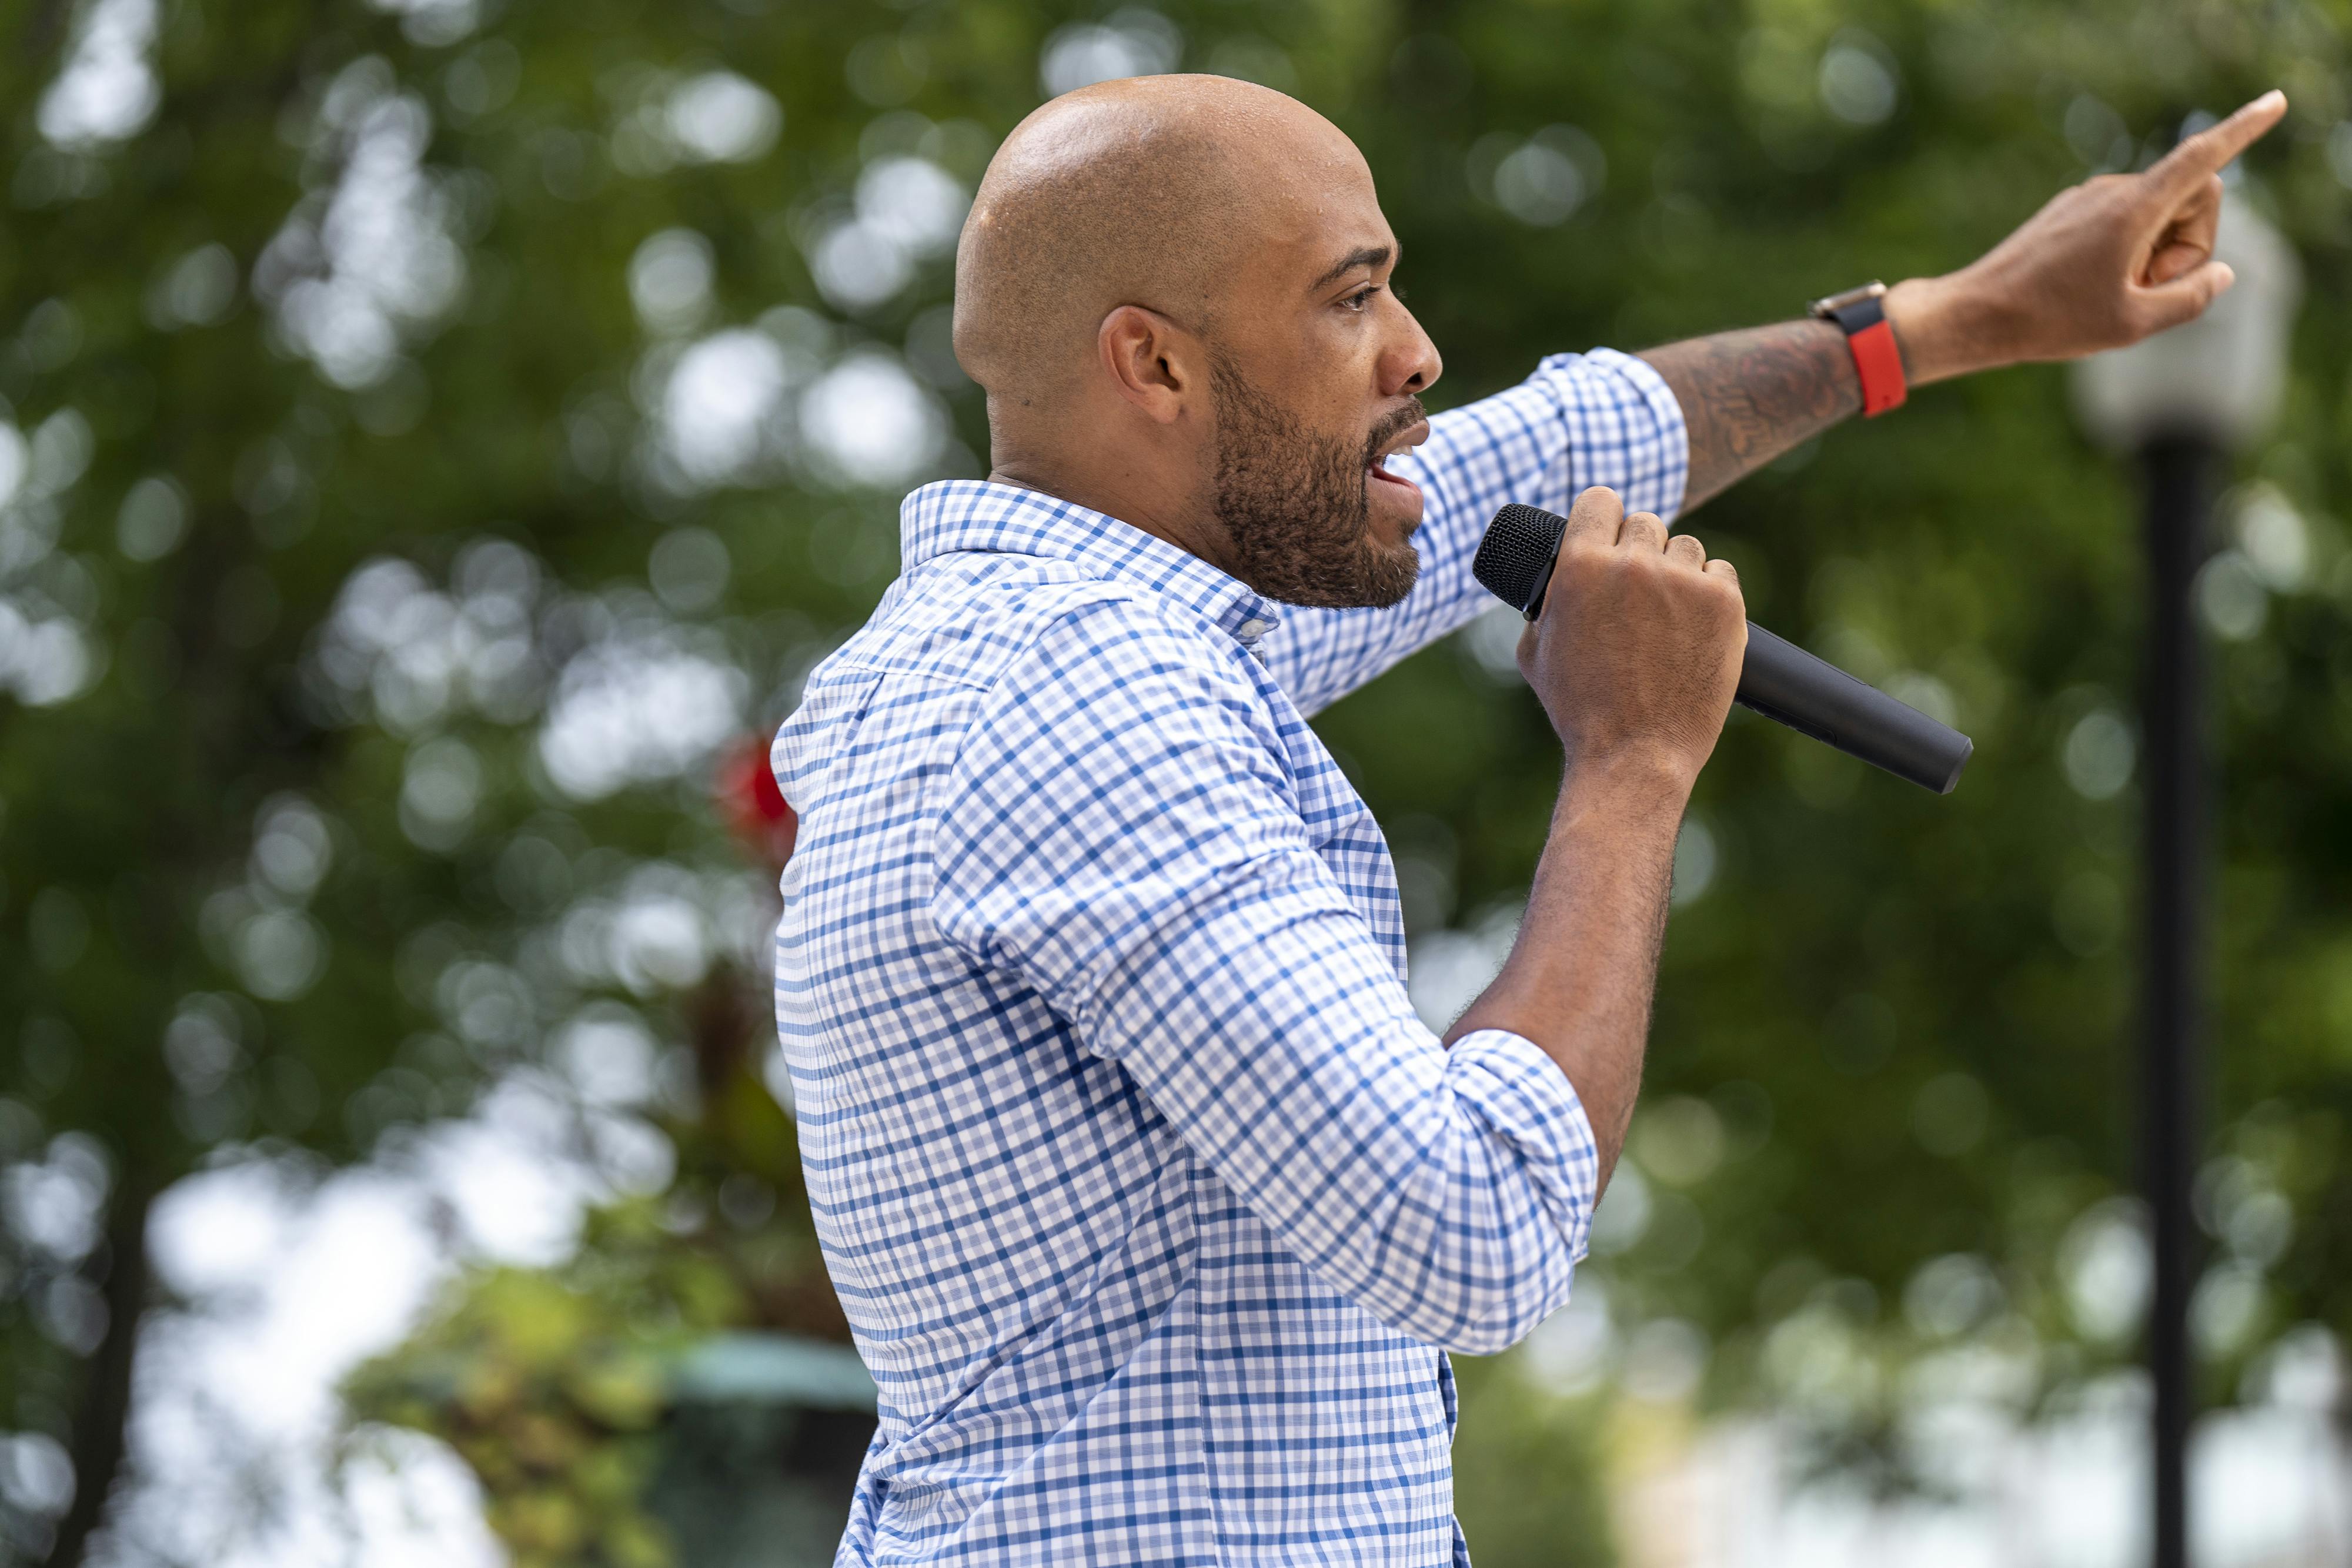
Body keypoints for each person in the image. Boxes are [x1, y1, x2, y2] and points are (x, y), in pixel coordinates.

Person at [770, 74, 2283, 1566]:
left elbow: (1554, 448)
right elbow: (1471, 1225)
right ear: (1153, 367)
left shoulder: (1058, 644)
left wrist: (1959, 320)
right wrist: (1629, 761)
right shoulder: (1086, 697)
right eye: (1350, 298)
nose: (1418, 354)